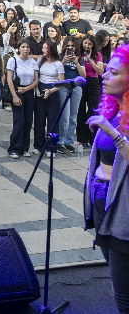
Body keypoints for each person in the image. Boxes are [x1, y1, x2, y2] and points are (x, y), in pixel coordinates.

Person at [83, 44, 129, 314]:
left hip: (123, 208)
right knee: (116, 279)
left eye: (112, 72)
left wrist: (113, 133)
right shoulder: (111, 108)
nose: (104, 76)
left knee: (124, 293)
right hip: (102, 199)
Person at [7, 39, 39, 158]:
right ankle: (14, 148)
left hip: (29, 92)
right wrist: (15, 96)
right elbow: (9, 79)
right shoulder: (13, 60)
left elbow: (36, 80)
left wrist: (27, 89)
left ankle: (25, 148)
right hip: (17, 91)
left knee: (28, 121)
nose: (25, 49)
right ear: (19, 48)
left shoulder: (33, 62)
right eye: (23, 47)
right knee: (19, 121)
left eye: (27, 47)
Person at [33, 41, 64, 155]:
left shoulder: (58, 64)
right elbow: (36, 77)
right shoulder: (40, 61)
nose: (43, 50)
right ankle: (38, 145)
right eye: (43, 48)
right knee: (39, 119)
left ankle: (52, 147)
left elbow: (61, 83)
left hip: (53, 91)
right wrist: (36, 89)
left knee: (53, 121)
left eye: (45, 48)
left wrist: (50, 91)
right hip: (41, 87)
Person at [56, 38, 86, 154]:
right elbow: (57, 71)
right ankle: (60, 142)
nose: (70, 48)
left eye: (72, 46)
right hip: (64, 86)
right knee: (65, 116)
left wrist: (77, 63)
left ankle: (69, 142)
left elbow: (84, 75)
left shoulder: (79, 58)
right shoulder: (60, 57)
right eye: (68, 46)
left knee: (73, 116)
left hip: (76, 87)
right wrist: (64, 61)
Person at [77, 35, 104, 149]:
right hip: (81, 81)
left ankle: (91, 137)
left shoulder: (97, 55)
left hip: (93, 82)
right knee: (81, 110)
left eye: (89, 44)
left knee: (93, 110)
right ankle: (81, 139)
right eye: (85, 43)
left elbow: (100, 71)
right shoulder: (78, 54)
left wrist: (90, 59)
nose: (87, 46)